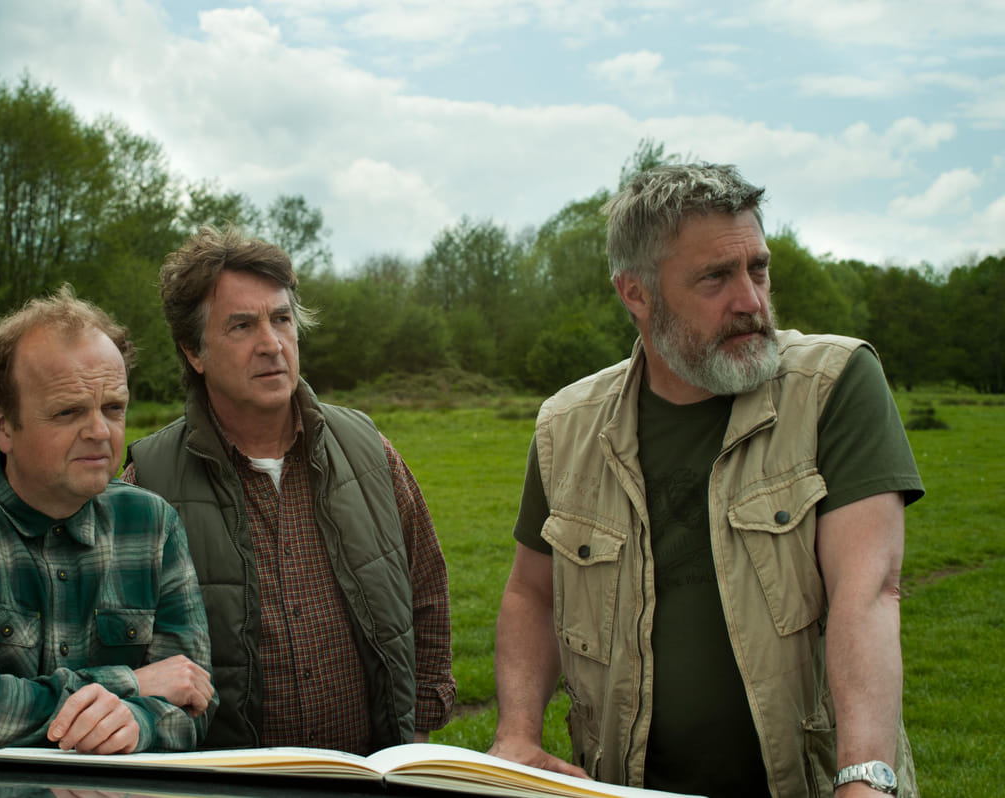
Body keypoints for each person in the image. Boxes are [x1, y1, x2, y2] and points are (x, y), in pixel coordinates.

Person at [489, 164, 923, 797]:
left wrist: (863, 777)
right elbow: (533, 592)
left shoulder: (834, 385)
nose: (751, 301)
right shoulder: (567, 426)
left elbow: (871, 591)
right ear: (636, 293)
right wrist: (517, 732)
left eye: (758, 269)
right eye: (716, 277)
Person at [124, 225, 455, 754]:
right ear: (194, 351)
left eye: (281, 319)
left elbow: (427, 591)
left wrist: (414, 733)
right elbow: (122, 655)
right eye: (242, 325)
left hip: (370, 774)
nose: (271, 344)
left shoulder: (369, 452)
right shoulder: (147, 483)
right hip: (226, 785)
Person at [0, 286, 217, 756]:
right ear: (1, 425)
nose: (99, 431)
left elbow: (194, 699)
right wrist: (132, 684)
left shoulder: (152, 524)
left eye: (113, 408)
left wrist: (138, 725)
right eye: (68, 411)